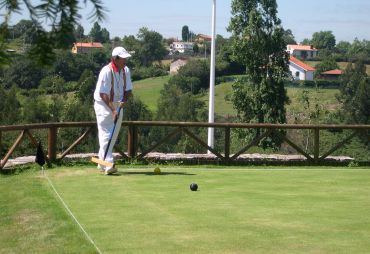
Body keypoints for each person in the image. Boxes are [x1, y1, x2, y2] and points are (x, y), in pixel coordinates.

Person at [93, 47, 133, 174]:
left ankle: (101, 163)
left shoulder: (126, 70)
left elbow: (128, 91)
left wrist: (122, 102)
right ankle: (108, 163)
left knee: (113, 133)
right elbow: (103, 94)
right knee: (106, 134)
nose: (125, 60)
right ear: (115, 59)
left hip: (117, 104)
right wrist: (113, 110)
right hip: (103, 104)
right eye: (123, 58)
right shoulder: (106, 71)